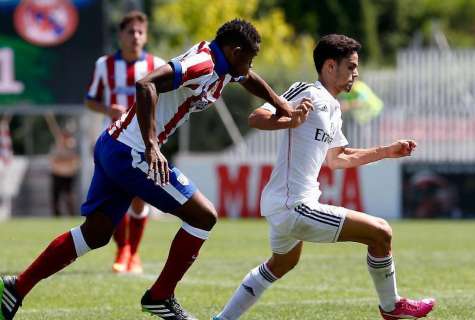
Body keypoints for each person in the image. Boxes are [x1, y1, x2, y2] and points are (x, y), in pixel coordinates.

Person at [0, 19, 294, 320]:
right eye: (250, 57)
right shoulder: (203, 64)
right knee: (204, 216)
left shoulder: (225, 64)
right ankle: (160, 296)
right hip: (132, 152)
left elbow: (247, 77)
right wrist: (152, 144)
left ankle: (16, 288)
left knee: (96, 234)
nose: (250, 64)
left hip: (114, 144)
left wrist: (279, 102)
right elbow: (146, 84)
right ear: (235, 51)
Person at [213, 34, 436, 320]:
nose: (356, 73)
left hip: (285, 203)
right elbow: (256, 117)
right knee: (380, 233)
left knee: (281, 264)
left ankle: (222, 319)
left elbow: (338, 158)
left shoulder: (332, 107)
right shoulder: (307, 91)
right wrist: (290, 119)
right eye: (351, 67)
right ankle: (392, 307)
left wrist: (386, 151)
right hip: (294, 205)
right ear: (330, 66)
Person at [85, 10, 165, 274]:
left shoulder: (156, 64)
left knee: (140, 197)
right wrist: (109, 110)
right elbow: (90, 100)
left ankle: (134, 252)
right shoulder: (104, 65)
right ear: (120, 35)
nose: (135, 37)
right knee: (117, 196)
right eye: (130, 32)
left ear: (146, 36)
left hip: (144, 142)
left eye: (140, 32)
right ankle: (123, 251)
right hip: (112, 142)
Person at [45, 113, 80, 217]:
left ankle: (71, 215)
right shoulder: (59, 145)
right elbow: (53, 160)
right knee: (55, 198)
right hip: (57, 174)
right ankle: (56, 216)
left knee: (69, 197)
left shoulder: (71, 145)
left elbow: (75, 160)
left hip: (68, 175)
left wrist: (63, 161)